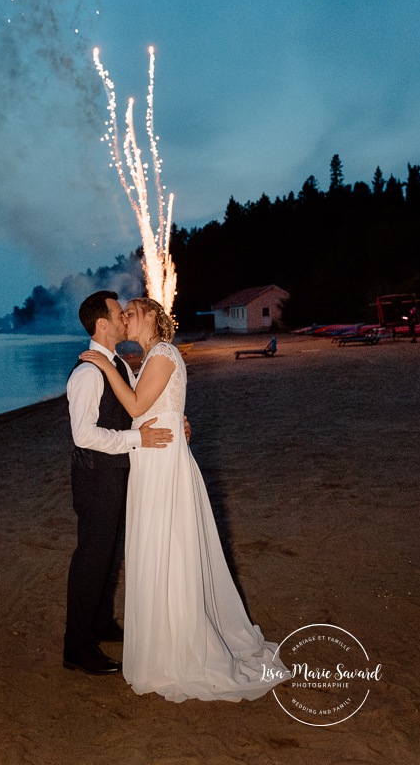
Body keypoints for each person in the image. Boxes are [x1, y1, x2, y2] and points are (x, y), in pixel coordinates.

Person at [80, 297, 289, 702]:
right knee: (160, 547)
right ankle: (165, 638)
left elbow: (138, 405)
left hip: (161, 465)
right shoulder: (152, 358)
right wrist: (178, 418)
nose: (126, 316)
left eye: (133, 311)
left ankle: (176, 646)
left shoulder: (161, 353)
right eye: (123, 313)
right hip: (153, 458)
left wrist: (106, 366)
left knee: (168, 548)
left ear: (153, 319)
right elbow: (152, 408)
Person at [63, 290, 174, 676]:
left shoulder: (120, 366)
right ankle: (77, 647)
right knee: (91, 557)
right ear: (103, 324)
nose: (125, 319)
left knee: (108, 553)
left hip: (117, 472)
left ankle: (101, 623)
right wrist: (136, 440)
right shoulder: (86, 373)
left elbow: (132, 411)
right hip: (95, 476)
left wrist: (173, 424)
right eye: (118, 313)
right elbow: (84, 435)